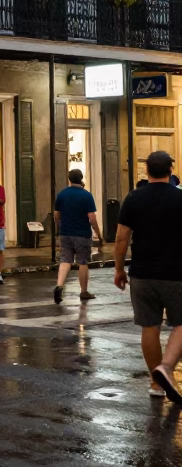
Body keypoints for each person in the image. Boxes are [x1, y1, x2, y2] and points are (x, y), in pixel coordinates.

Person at [114, 150, 182, 402]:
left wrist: (119, 269)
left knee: (149, 326)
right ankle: (166, 366)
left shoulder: (133, 199)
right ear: (170, 171)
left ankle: (156, 384)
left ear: (147, 171)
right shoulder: (180, 199)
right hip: (177, 272)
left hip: (142, 273)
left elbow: (122, 238)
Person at [53, 168, 102, 304]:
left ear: (69, 179)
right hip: (82, 233)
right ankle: (84, 291)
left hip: (66, 233)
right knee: (82, 262)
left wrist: (60, 228)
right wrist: (98, 233)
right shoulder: (86, 195)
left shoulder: (61, 194)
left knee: (65, 260)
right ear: (81, 179)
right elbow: (92, 218)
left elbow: (56, 216)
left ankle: (59, 285)